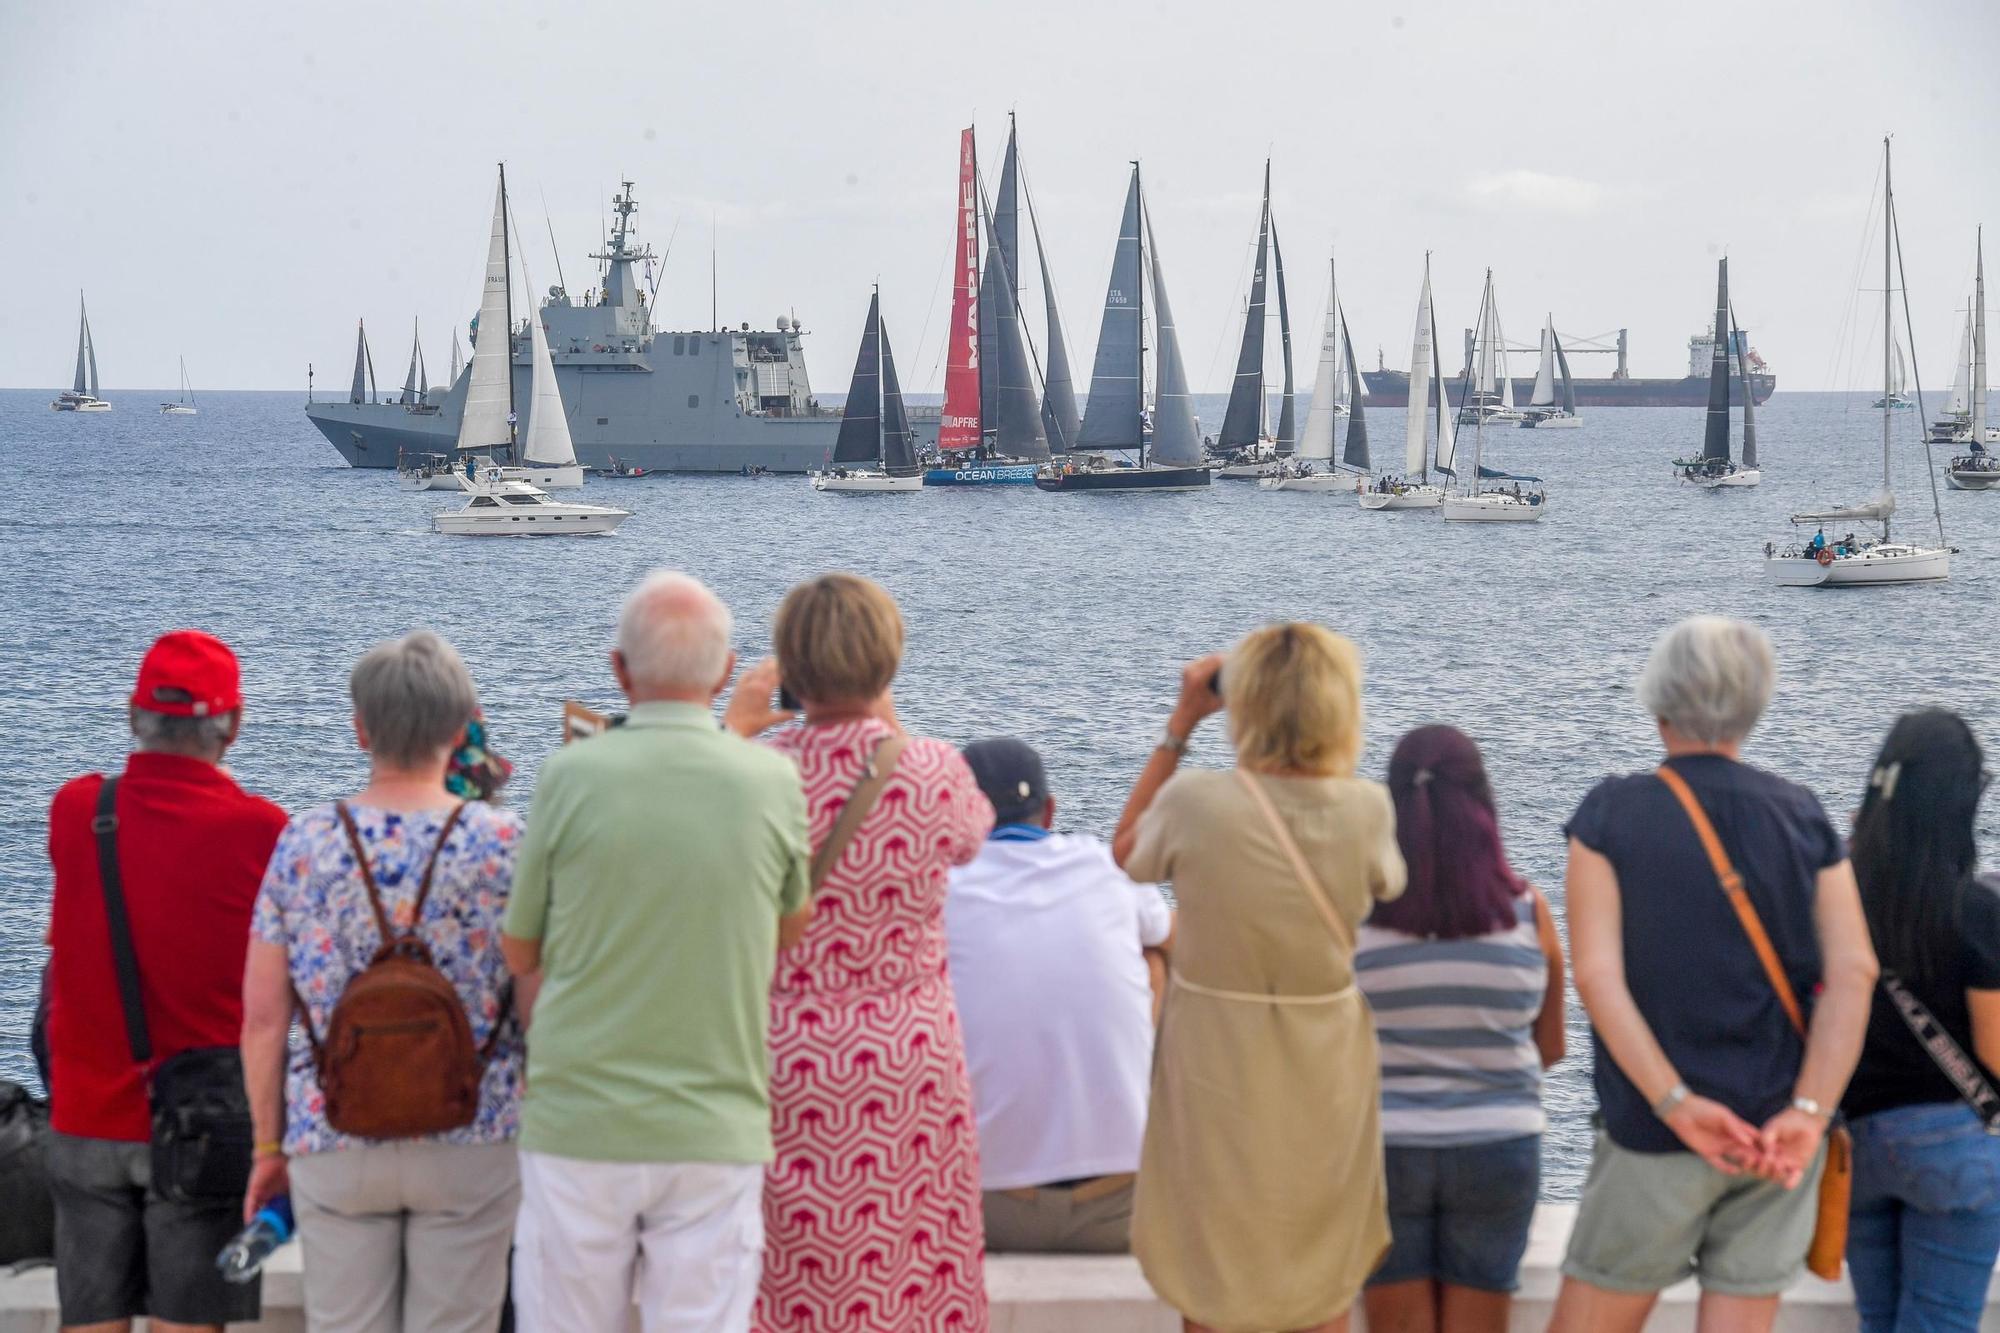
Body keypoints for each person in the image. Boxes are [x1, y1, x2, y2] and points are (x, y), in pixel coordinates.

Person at [1549, 616, 1878, 1333]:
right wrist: (1809, 1113)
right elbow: (1855, 972)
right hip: (1775, 1137)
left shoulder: (1611, 814)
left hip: (1655, 1132)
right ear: (1754, 704)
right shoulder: (1802, 815)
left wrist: (1675, 1103)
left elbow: (1598, 978)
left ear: (1658, 701)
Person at [501, 572, 811, 1332]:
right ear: (725, 670)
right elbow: (789, 930)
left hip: (580, 1117)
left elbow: (519, 947)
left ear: (619, 670)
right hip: (714, 1119)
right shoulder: (772, 780)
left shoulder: (569, 773)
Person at [1111, 624, 1407, 1333]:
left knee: (1208, 1255)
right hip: (1323, 1057)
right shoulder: (1366, 808)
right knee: (1319, 1253)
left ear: (1246, 704)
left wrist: (1181, 724)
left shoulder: (1197, 803)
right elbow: (1389, 884)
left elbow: (1126, 854)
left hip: (1213, 1055)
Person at [722, 572, 994, 1330]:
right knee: (915, 1254)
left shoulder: (751, 777)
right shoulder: (934, 770)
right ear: (887, 661)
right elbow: (972, 837)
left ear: (790, 664)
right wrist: (885, 714)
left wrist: (733, 729)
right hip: (909, 1059)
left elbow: (684, 830)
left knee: (787, 1266)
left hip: (784, 1053)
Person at [241, 630, 523, 1333]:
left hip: (337, 1131)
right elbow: (540, 1006)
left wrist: (269, 1147)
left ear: (361, 729)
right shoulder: (503, 844)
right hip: (472, 1132)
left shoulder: (304, 844)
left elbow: (265, 1019)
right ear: (458, 731)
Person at [43, 630, 288, 1333]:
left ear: (134, 715)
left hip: (86, 1114)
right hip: (203, 1124)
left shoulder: (78, 811)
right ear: (233, 725)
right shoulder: (261, 829)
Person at [1355, 725, 1566, 1333]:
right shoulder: (1527, 912)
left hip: (1386, 1148)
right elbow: (1551, 1048)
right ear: (1482, 804)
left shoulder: (1356, 916)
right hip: (1498, 1147)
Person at [944, 737, 1173, 1254]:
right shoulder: (1104, 866)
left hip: (985, 1209)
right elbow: (1172, 935)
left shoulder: (938, 884)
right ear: (1049, 811)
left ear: (957, 814)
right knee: (1152, 952)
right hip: (1122, 1208)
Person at [1841, 709, 2000, 1332]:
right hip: (1951, 1144)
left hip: (1856, 1143)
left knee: (1879, 1322)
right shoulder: (1974, 908)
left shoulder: (1839, 898)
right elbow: (1994, 1049)